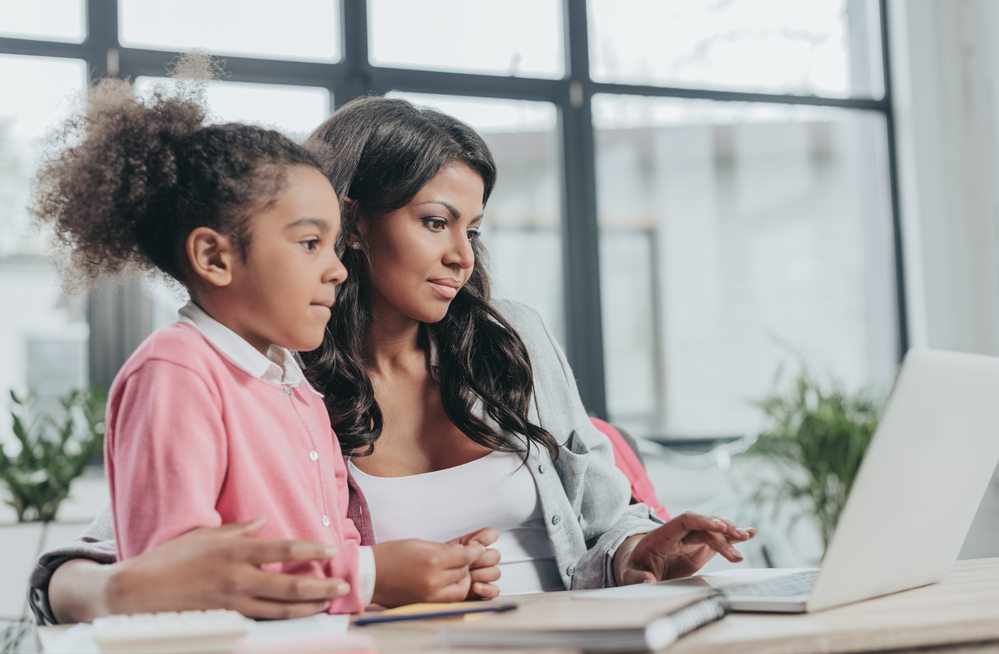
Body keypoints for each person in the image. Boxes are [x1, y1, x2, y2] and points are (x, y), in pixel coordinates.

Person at [30, 96, 753, 623]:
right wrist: (373, 571)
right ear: (352, 223)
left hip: (561, 640)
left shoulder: (515, 341)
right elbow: (136, 558)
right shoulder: (267, 368)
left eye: (472, 228)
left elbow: (605, 520)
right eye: (434, 222)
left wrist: (639, 554)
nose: (461, 256)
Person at [29, 71, 493, 621]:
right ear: (215, 258)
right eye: (309, 243)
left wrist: (423, 575)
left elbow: (334, 540)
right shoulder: (175, 372)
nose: (338, 269)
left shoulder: (296, 387)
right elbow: (177, 577)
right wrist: (369, 574)